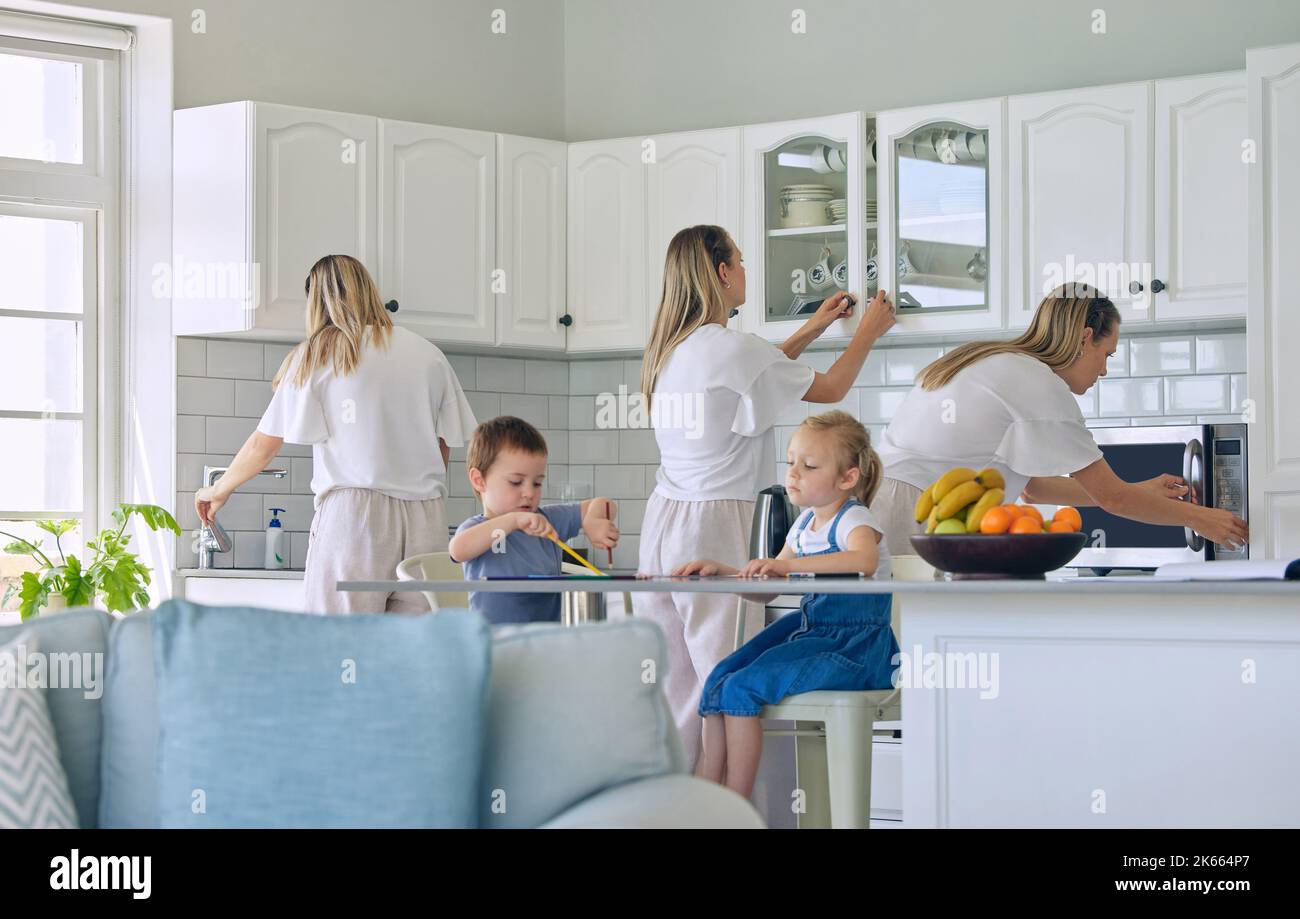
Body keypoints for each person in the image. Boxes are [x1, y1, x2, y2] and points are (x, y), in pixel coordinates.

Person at [635, 223, 897, 766]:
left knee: (677, 690)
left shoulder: (673, 350)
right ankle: (739, 814)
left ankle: (678, 810)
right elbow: (829, 389)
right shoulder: (732, 349)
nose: (746, 270)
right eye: (742, 260)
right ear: (723, 273)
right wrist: (866, 331)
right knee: (730, 680)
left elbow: (763, 368)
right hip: (717, 519)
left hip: (662, 522)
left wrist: (816, 325)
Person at [869, 283, 1249, 556]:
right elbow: (1113, 498)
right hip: (910, 511)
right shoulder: (1037, 383)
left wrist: (1141, 491)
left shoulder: (1000, 362)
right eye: (1107, 354)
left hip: (884, 502)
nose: (1104, 370)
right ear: (1085, 338)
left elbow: (1035, 489)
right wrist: (1202, 519)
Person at [194, 253, 477, 613]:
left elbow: (264, 445)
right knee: (415, 652)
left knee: (339, 646)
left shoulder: (319, 352)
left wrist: (219, 489)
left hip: (355, 518)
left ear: (316, 300)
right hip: (428, 518)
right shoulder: (429, 354)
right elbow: (442, 445)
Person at [676, 411, 895, 798]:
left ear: (847, 479)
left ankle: (736, 805)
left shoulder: (853, 519)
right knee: (719, 679)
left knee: (743, 688)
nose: (793, 473)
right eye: (791, 461)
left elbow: (864, 562)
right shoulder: (804, 523)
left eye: (809, 465)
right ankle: (709, 797)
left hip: (856, 648)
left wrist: (787, 565)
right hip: (813, 632)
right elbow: (767, 589)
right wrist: (725, 575)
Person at [448, 416, 619, 624]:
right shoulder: (477, 528)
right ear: (479, 480)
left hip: (544, 642)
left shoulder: (548, 519)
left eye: (537, 483)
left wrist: (592, 519)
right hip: (495, 645)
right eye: (516, 482)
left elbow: (603, 503)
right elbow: (458, 550)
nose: (529, 492)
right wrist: (514, 520)